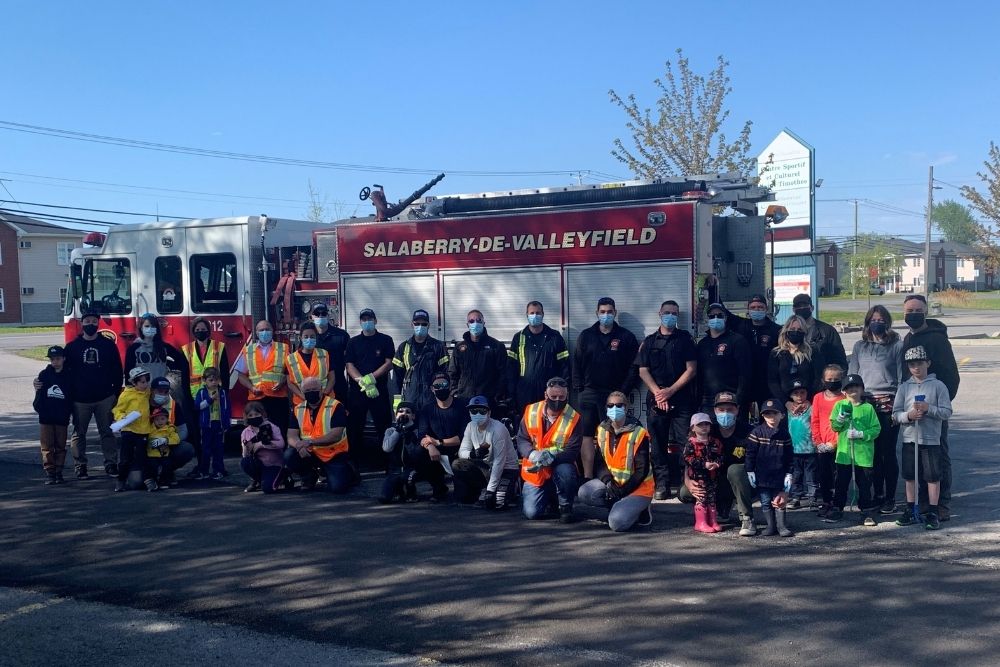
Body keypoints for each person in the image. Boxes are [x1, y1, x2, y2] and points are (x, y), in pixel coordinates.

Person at [901, 294, 959, 521]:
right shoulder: (907, 339)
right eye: (909, 311)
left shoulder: (937, 339)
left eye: (917, 310)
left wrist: (938, 405)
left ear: (925, 312)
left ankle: (942, 503)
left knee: (938, 456)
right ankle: (923, 501)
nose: (913, 314)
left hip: (933, 411)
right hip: (911, 409)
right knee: (916, 457)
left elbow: (951, 376)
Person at [636, 299, 697, 500]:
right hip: (656, 400)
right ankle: (661, 484)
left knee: (685, 442)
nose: (670, 316)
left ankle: (685, 484)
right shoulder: (650, 341)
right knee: (658, 443)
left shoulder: (685, 340)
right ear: (659, 314)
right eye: (667, 312)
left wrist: (670, 391)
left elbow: (691, 369)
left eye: (674, 313)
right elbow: (643, 371)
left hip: (681, 398)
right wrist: (658, 393)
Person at [572, 297, 639, 479]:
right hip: (588, 393)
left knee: (611, 435)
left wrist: (623, 392)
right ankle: (587, 476)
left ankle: (611, 476)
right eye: (602, 312)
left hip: (613, 397)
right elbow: (576, 362)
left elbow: (634, 367)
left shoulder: (626, 337)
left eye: (610, 312)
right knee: (587, 436)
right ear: (597, 313)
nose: (606, 315)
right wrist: (580, 388)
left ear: (615, 313)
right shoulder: (586, 335)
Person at [849, 305, 905, 514]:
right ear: (867, 322)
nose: (877, 323)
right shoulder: (859, 346)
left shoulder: (896, 346)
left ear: (887, 322)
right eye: (874, 319)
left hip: (889, 403)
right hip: (866, 404)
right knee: (870, 454)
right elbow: (853, 375)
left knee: (887, 453)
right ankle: (876, 493)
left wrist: (898, 407)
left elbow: (902, 378)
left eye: (881, 320)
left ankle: (890, 497)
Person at [679, 392, 756, 536]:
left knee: (735, 470)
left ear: (737, 410)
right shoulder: (707, 429)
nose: (725, 413)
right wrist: (688, 481)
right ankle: (711, 514)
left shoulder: (748, 431)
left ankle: (747, 517)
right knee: (685, 492)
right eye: (721, 410)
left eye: (730, 409)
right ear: (715, 410)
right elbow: (688, 458)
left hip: (742, 482)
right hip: (711, 479)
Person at [893, 345, 953, 530]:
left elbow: (947, 412)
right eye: (912, 365)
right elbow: (895, 414)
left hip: (930, 439)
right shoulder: (904, 388)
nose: (916, 368)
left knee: (932, 476)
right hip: (910, 438)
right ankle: (911, 509)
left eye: (919, 363)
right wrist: (908, 416)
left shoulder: (938, 386)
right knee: (910, 476)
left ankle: (933, 511)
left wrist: (929, 409)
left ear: (928, 363)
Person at [576, 391, 655, 531]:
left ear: (626, 407)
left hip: (638, 488)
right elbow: (600, 463)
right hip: (614, 483)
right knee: (584, 492)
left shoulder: (639, 433)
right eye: (610, 405)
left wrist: (621, 491)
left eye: (619, 405)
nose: (614, 409)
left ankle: (640, 509)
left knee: (617, 523)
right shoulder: (602, 429)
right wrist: (608, 482)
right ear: (606, 408)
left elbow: (641, 471)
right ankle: (619, 505)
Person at [63, 308, 123, 478]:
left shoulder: (108, 345)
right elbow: (64, 371)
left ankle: (111, 463)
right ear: (82, 323)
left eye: (94, 321)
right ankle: (80, 465)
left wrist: (115, 394)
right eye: (87, 321)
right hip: (80, 400)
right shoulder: (72, 347)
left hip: (105, 397)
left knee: (107, 432)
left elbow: (117, 370)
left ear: (98, 323)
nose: (91, 324)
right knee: (78, 433)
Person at [516, 377, 582, 522]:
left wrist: (551, 457)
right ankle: (550, 500)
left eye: (561, 397)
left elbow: (572, 451)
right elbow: (521, 439)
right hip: (536, 470)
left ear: (567, 396)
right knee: (531, 513)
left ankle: (565, 506)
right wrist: (532, 454)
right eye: (553, 397)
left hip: (559, 465)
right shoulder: (531, 411)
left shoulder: (574, 418)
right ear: (546, 395)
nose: (557, 400)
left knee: (566, 472)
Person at [825, 374, 881, 525]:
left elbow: (876, 429)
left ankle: (866, 511)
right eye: (849, 388)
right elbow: (835, 427)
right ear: (844, 391)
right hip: (844, 455)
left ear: (862, 389)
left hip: (863, 455)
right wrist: (841, 419)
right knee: (841, 483)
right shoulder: (839, 406)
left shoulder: (868, 408)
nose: (852, 390)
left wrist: (861, 434)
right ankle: (837, 508)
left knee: (864, 485)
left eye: (856, 387)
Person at [284, 376, 353, 493]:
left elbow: (336, 435)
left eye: (314, 390)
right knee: (289, 455)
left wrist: (309, 442)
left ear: (321, 389)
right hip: (310, 453)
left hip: (333, 454)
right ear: (302, 392)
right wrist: (298, 446)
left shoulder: (335, 406)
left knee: (338, 488)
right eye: (307, 391)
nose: (311, 393)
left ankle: (349, 471)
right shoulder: (298, 409)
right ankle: (309, 476)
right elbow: (291, 435)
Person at [345, 308, 395, 471]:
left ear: (375, 320)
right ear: (360, 322)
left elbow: (388, 363)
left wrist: (372, 378)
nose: (367, 322)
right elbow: (349, 364)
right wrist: (362, 381)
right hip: (358, 391)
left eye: (370, 318)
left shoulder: (385, 340)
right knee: (355, 427)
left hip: (378, 390)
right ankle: (355, 463)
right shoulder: (353, 342)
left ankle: (388, 462)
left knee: (384, 425)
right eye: (364, 319)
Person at [453, 396, 520, 508]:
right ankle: (482, 488)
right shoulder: (470, 426)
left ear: (489, 412)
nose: (477, 414)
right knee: (457, 464)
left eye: (482, 411)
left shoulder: (498, 430)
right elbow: (462, 451)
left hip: (506, 469)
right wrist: (472, 454)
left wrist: (491, 490)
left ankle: (511, 487)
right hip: (485, 466)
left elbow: (500, 462)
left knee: (498, 503)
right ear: (469, 413)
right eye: (473, 411)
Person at [507, 301, 569, 415]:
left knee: (548, 423)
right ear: (527, 315)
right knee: (526, 425)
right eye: (532, 313)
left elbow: (564, 366)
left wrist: (561, 390)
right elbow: (511, 368)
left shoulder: (554, 337)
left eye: (538, 313)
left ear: (543, 314)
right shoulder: (518, 337)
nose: (535, 316)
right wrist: (511, 394)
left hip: (548, 392)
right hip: (524, 392)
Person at [416, 372, 470, 501]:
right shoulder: (427, 409)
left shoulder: (462, 406)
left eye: (444, 384)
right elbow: (422, 435)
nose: (441, 388)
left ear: (450, 386)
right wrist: (430, 447)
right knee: (417, 453)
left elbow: (465, 436)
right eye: (437, 385)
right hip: (437, 452)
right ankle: (439, 487)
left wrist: (439, 442)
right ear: (432, 389)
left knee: (462, 497)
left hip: (459, 451)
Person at [745, 398, 795, 537]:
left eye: (775, 413)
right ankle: (771, 526)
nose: (771, 417)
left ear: (782, 415)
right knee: (766, 502)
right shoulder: (757, 432)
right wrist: (750, 470)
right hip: (762, 476)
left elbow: (790, 457)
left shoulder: (785, 434)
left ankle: (782, 526)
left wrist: (789, 473)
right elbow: (750, 454)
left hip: (779, 476)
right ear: (762, 416)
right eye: (768, 414)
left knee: (779, 502)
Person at [695, 302, 752, 414]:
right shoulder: (702, 344)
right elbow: (699, 375)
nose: (716, 318)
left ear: (725, 318)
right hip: (708, 401)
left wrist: (739, 399)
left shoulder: (737, 341)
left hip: (731, 399)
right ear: (708, 319)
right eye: (712, 316)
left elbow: (745, 374)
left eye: (720, 315)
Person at [235, 321, 289, 437]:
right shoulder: (248, 350)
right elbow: (241, 376)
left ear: (272, 331)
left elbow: (290, 373)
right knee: (257, 433)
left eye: (267, 329)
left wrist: (282, 382)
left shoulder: (284, 348)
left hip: (278, 398)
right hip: (257, 399)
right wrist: (252, 387)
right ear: (256, 333)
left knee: (280, 431)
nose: (265, 332)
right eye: (261, 330)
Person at [730, 294, 781, 416]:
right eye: (753, 307)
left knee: (769, 418)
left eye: (760, 307)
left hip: (767, 384)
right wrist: (712, 284)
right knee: (741, 419)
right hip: (744, 383)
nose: (756, 310)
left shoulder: (776, 330)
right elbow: (722, 311)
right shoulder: (741, 325)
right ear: (748, 310)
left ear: (766, 309)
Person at [393, 309, 449, 413]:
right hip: (410, 398)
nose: (420, 326)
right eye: (417, 323)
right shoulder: (403, 347)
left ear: (428, 325)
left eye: (424, 324)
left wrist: (444, 397)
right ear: (412, 325)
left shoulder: (438, 346)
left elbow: (445, 373)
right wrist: (397, 401)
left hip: (432, 400)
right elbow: (397, 378)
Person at [123, 313, 190, 400]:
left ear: (157, 329)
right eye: (147, 326)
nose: (150, 329)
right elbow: (128, 372)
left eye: (153, 326)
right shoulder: (134, 348)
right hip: (141, 393)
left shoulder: (164, 347)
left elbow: (182, 362)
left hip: (160, 392)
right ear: (141, 328)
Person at [449, 309, 507, 407]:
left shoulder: (496, 347)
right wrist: (455, 392)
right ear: (467, 325)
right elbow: (452, 373)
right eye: (471, 321)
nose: (475, 323)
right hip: (464, 400)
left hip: (488, 402)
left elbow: (504, 374)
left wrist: (497, 395)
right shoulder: (459, 348)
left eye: (478, 320)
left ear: (484, 323)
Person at [32, 345, 73, 485]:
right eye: (52, 359)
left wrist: (69, 411)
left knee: (60, 445)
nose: (55, 362)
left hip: (62, 417)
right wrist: (39, 408)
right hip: (46, 416)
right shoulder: (44, 374)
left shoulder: (68, 375)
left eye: (58, 359)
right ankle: (50, 472)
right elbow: (39, 394)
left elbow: (70, 396)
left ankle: (59, 471)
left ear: (63, 359)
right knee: (47, 446)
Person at [111, 367, 154, 492]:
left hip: (144, 430)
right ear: (134, 383)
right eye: (141, 382)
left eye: (146, 381)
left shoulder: (148, 392)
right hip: (129, 429)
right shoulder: (126, 394)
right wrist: (121, 417)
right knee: (125, 458)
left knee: (144, 457)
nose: (144, 384)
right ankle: (121, 480)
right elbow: (117, 409)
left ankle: (148, 481)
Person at [811, 364, 845, 518]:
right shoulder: (818, 397)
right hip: (822, 444)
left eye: (836, 379)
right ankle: (826, 501)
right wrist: (818, 442)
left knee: (839, 475)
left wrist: (835, 443)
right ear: (823, 380)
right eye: (829, 379)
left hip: (840, 444)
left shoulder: (845, 398)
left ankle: (838, 503)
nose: (833, 382)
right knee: (824, 474)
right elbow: (815, 421)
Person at [149, 376, 196, 486]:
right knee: (135, 482)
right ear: (152, 390)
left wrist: (168, 441)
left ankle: (167, 471)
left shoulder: (173, 404)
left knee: (187, 449)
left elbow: (183, 430)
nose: (163, 394)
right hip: (146, 446)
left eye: (166, 392)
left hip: (166, 446)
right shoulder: (142, 404)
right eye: (160, 391)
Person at [682, 413, 723, 533]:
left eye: (706, 424)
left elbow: (721, 455)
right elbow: (688, 458)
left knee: (711, 498)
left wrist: (717, 464)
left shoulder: (715, 442)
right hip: (698, 477)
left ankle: (713, 521)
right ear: (693, 427)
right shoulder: (691, 443)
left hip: (712, 476)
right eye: (700, 424)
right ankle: (701, 522)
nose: (704, 427)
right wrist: (703, 464)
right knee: (701, 498)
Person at [378, 401, 426, 503]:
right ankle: (398, 491)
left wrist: (410, 435)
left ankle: (411, 493)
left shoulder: (418, 431)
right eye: (400, 411)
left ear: (413, 416)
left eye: (407, 412)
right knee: (383, 498)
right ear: (396, 415)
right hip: (395, 470)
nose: (403, 414)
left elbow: (418, 452)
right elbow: (386, 448)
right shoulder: (390, 430)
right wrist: (398, 431)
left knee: (407, 477)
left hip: (412, 468)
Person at [767, 315, 819, 407]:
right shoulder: (776, 353)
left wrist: (809, 399)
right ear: (786, 330)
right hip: (783, 403)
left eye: (799, 329)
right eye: (792, 328)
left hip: (808, 402)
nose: (796, 332)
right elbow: (772, 381)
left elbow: (818, 378)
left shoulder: (812, 351)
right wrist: (786, 402)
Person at [790, 293, 848, 371]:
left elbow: (840, 361)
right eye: (798, 306)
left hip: (821, 380)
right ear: (793, 310)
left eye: (805, 305)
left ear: (812, 308)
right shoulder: (786, 332)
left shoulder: (828, 331)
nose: (802, 308)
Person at [240, 400, 287, 494]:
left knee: (268, 489)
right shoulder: (245, 432)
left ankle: (283, 477)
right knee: (245, 462)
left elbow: (281, 444)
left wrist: (262, 444)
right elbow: (245, 454)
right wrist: (248, 447)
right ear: (246, 417)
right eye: (250, 415)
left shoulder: (271, 427)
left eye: (256, 414)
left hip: (273, 463)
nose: (254, 417)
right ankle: (257, 480)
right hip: (259, 463)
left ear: (262, 414)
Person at [193, 367, 231, 480]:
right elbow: (198, 407)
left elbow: (227, 408)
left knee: (218, 448)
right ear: (204, 381)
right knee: (206, 449)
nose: (214, 383)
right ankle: (203, 470)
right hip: (206, 425)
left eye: (216, 380)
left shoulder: (223, 392)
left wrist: (227, 423)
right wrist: (210, 399)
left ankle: (218, 470)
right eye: (211, 380)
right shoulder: (201, 393)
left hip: (219, 424)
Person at [285, 322, 335, 406]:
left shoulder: (324, 354)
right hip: (301, 402)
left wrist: (324, 394)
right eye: (306, 337)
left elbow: (332, 378)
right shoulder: (290, 359)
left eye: (312, 337)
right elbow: (290, 383)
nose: (309, 339)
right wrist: (302, 396)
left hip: (325, 401)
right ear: (301, 338)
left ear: (316, 337)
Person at [181, 316, 230, 400]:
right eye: (197, 330)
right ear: (193, 332)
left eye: (203, 329)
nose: (200, 332)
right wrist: (187, 397)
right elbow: (184, 377)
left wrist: (224, 392)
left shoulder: (219, 346)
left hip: (215, 394)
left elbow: (225, 373)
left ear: (208, 331)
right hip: (195, 396)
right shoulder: (186, 349)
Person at [311, 303, 350, 402]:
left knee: (340, 415)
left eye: (323, 314)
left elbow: (350, 361)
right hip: (315, 386)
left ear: (328, 316)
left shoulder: (341, 335)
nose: (320, 316)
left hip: (339, 384)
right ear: (312, 316)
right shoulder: (309, 337)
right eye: (317, 314)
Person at [786, 379, 816, 509]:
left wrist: (808, 404)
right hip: (794, 449)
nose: (799, 396)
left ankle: (813, 498)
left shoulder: (812, 407)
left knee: (811, 475)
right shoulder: (789, 409)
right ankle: (796, 497)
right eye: (796, 393)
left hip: (810, 448)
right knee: (796, 475)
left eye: (802, 392)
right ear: (791, 396)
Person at [144, 407, 179, 492]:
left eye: (162, 419)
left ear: (167, 419)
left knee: (167, 465)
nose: (160, 421)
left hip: (164, 454)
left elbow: (176, 439)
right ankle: (153, 481)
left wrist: (166, 440)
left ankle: (164, 481)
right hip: (152, 454)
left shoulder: (170, 429)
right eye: (157, 419)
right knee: (152, 467)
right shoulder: (149, 429)